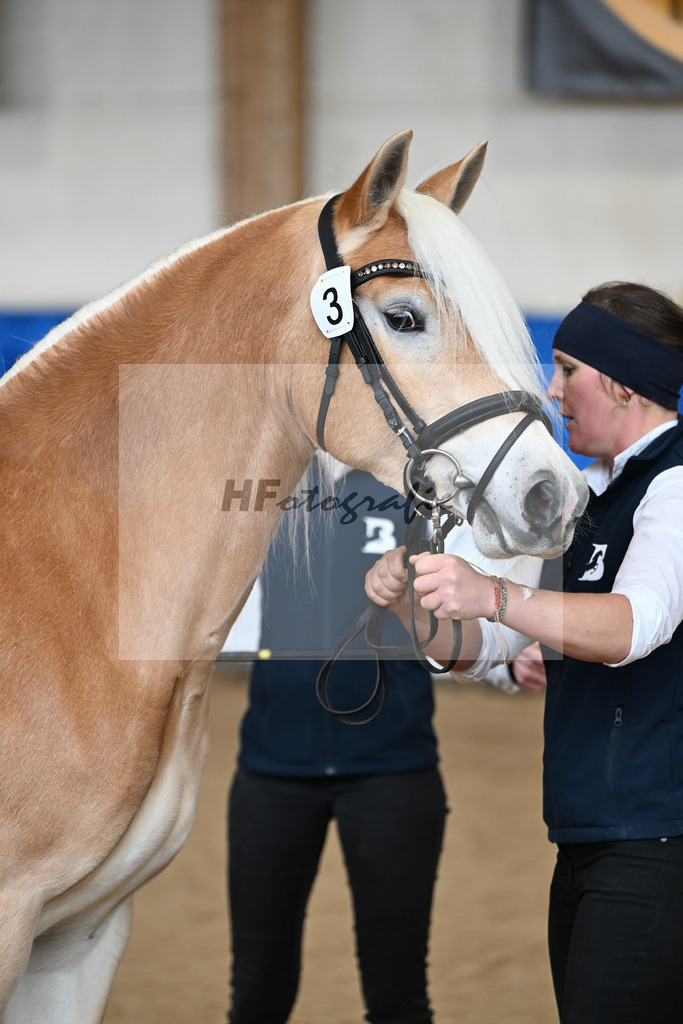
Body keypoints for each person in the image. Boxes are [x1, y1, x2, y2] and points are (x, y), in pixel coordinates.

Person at [365, 282, 683, 1024]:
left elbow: (633, 625)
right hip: (589, 837)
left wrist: (492, 593)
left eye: (567, 369)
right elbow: (486, 649)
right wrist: (416, 604)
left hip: (656, 838)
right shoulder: (587, 495)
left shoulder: (674, 483)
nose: (552, 390)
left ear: (622, 382)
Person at [226, 464, 537, 1024]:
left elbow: (456, 606)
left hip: (393, 769)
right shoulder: (276, 479)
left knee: (397, 997)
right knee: (256, 996)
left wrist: (506, 666)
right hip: (272, 769)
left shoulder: (416, 489)